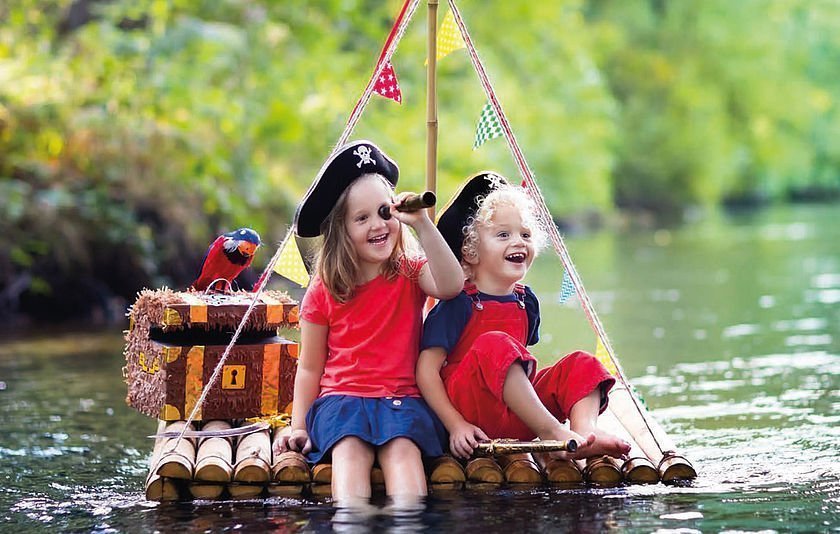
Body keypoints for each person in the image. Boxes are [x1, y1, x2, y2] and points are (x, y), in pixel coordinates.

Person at [274, 140, 463, 505]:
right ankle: (351, 520)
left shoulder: (409, 269)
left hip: (402, 399)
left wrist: (423, 226)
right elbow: (310, 368)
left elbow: (452, 286)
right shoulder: (326, 288)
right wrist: (298, 425)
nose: (378, 225)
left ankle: (408, 523)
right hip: (342, 400)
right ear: (340, 230)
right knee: (349, 452)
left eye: (383, 212)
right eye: (362, 219)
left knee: (403, 453)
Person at [416, 172, 632, 460]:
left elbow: (519, 371)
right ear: (470, 251)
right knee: (496, 344)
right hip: (471, 414)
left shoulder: (525, 301)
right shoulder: (458, 303)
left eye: (525, 234)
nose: (518, 242)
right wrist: (455, 425)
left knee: (582, 363)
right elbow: (426, 372)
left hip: (512, 414)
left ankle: (584, 433)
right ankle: (553, 431)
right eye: (503, 234)